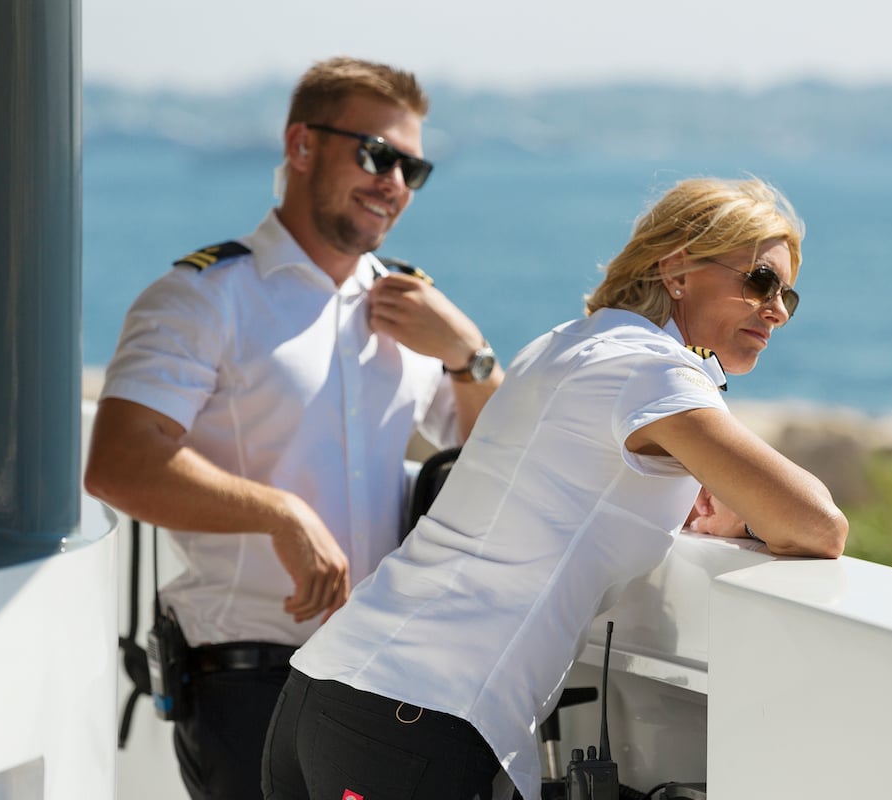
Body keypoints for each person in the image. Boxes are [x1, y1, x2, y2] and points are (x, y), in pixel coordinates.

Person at [261, 176, 849, 800]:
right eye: (759, 281)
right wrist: (750, 516)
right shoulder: (655, 371)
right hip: (414, 723)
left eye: (788, 294)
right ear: (677, 270)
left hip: (319, 691)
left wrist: (723, 492)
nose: (777, 309)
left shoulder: (565, 343)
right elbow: (818, 524)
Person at [83, 57, 503, 800]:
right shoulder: (204, 298)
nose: (395, 184)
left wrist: (469, 356)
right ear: (302, 146)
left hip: (372, 678)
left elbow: (495, 458)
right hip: (246, 680)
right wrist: (281, 513)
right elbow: (119, 463)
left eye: (414, 168)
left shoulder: (410, 308)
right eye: (377, 156)